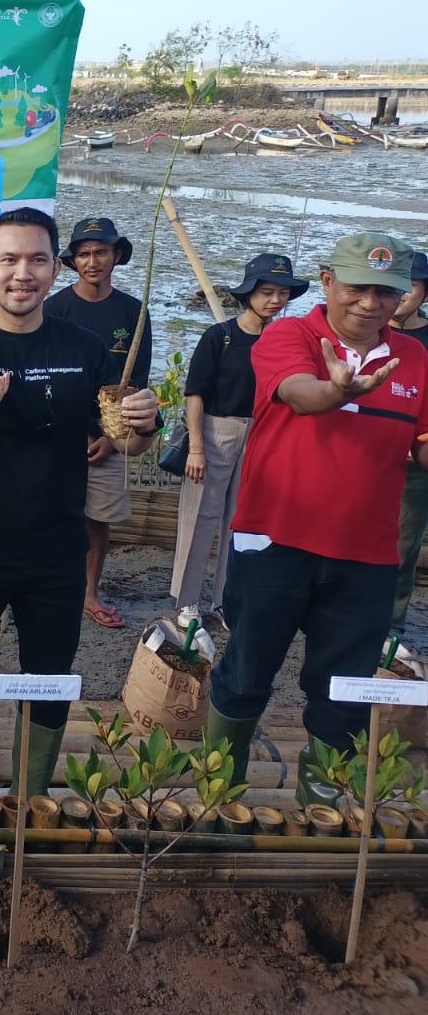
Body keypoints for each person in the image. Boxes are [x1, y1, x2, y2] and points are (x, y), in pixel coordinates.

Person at [0, 208, 159, 797]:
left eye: (36, 260)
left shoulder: (84, 348)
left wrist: (144, 423)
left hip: (55, 550)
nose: (21, 273)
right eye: (8, 259)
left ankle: (29, 801)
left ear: (57, 268)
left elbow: (126, 438)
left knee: (50, 678)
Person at [206, 234, 428, 804]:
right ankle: (217, 798)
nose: (370, 303)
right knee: (246, 672)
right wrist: (337, 389)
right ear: (327, 281)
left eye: (387, 292)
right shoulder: (290, 335)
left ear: (405, 296)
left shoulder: (417, 359)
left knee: (345, 691)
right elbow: (300, 395)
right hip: (275, 540)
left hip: (368, 555)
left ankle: (319, 808)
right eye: (357, 287)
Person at [169, 254, 306, 628]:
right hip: (216, 432)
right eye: (266, 292)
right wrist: (196, 446)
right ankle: (186, 601)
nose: (275, 300)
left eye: (282, 293)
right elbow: (195, 393)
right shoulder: (221, 336)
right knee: (200, 516)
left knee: (244, 523)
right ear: (249, 294)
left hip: (264, 434)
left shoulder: (287, 340)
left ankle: (227, 601)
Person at [44, 215, 153, 630]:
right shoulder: (54, 309)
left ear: (116, 255)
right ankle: (50, 587)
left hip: (108, 438)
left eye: (101, 252)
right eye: (84, 254)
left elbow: (137, 382)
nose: (93, 261)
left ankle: (90, 592)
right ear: (72, 261)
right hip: (57, 437)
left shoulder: (133, 312)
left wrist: (111, 438)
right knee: (50, 516)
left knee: (97, 519)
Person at [390, 251, 428, 638]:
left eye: (411, 287)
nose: (401, 295)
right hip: (363, 457)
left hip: (414, 462)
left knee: (403, 544)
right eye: (395, 286)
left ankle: (392, 624)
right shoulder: (369, 334)